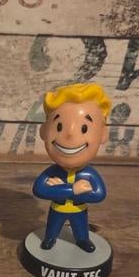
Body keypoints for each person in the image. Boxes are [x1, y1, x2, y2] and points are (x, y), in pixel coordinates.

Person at [32, 83, 110, 252]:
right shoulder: (52, 172)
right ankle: (50, 239)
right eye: (59, 126)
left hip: (79, 210)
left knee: (81, 230)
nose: (69, 134)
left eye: (84, 128)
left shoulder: (89, 174)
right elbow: (39, 189)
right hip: (57, 209)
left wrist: (60, 189)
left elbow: (99, 195)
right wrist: (73, 189)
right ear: (44, 131)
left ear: (103, 134)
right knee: (52, 228)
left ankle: (82, 240)